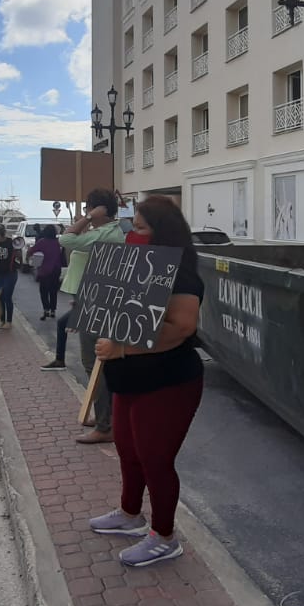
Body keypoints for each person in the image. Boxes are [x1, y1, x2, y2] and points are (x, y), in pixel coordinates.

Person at [88, 196, 205, 567]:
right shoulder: (134, 266)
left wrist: (122, 348)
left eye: (139, 227)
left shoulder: (182, 273)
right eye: (131, 226)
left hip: (168, 382)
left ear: (161, 232)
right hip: (129, 382)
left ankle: (164, 537)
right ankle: (130, 514)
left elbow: (182, 328)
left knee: (155, 459)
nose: (131, 233)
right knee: (128, 449)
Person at [40, 188, 126, 444]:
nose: (87, 211)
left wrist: (87, 218)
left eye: (90, 207)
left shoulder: (105, 233)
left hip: (98, 301)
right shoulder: (103, 233)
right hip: (90, 297)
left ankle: (105, 424)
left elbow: (65, 240)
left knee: (94, 362)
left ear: (99, 209)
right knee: (97, 363)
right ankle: (104, 416)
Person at [29, 225, 63, 320]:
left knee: (44, 291)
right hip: (56, 270)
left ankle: (46, 310)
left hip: (44, 270)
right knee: (53, 291)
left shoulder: (42, 242)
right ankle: (53, 310)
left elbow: (32, 251)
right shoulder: (57, 242)